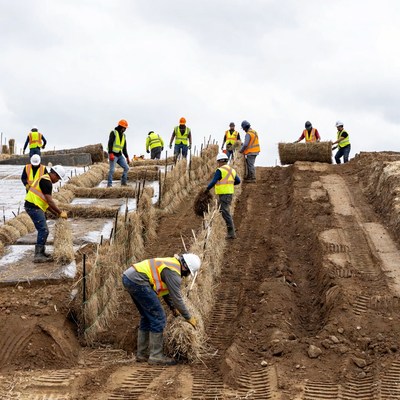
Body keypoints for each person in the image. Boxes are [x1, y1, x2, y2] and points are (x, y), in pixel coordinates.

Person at [122, 253, 200, 365]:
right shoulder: (174, 273)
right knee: (158, 317)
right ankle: (156, 356)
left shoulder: (171, 264)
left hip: (129, 277)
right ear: (185, 267)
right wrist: (188, 317)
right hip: (138, 281)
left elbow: (166, 291)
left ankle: (142, 354)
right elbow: (177, 298)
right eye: (188, 273)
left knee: (146, 316)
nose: (186, 276)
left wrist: (172, 307)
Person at [24, 165, 68, 263]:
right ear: (54, 174)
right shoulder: (46, 182)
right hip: (33, 207)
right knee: (43, 230)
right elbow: (50, 201)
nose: (57, 181)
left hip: (35, 206)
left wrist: (56, 214)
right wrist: (60, 212)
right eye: (58, 178)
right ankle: (38, 255)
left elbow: (45, 203)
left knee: (43, 230)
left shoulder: (44, 178)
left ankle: (42, 252)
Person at [205, 153, 241, 239]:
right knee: (224, 211)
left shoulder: (220, 170)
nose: (217, 163)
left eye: (218, 162)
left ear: (220, 161)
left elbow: (214, 181)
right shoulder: (232, 170)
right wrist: (230, 184)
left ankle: (231, 233)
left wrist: (207, 189)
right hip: (229, 193)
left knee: (225, 212)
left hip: (224, 194)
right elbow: (238, 181)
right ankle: (231, 231)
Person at [107, 119, 130, 187]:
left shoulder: (124, 136)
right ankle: (109, 185)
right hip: (113, 154)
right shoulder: (113, 133)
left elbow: (124, 148)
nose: (125, 129)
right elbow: (110, 143)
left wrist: (127, 157)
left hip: (119, 155)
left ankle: (123, 183)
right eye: (124, 127)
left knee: (126, 168)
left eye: (125, 128)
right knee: (112, 170)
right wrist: (110, 153)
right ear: (121, 126)